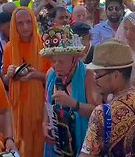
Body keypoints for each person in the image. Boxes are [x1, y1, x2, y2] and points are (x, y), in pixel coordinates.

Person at [41, 26, 101, 156]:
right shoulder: (50, 74)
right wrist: (44, 124)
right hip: (58, 141)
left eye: (61, 61)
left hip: (82, 141)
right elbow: (47, 104)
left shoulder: (88, 75)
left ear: (75, 59)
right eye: (53, 61)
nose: (56, 65)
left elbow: (97, 113)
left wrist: (74, 104)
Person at [2, 7, 51, 157]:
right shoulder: (10, 48)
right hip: (18, 109)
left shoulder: (44, 44)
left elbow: (53, 80)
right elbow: (4, 81)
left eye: (29, 22)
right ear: (13, 25)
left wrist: (37, 75)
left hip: (40, 108)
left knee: (40, 145)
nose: (25, 27)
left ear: (34, 22)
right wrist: (9, 74)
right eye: (20, 23)